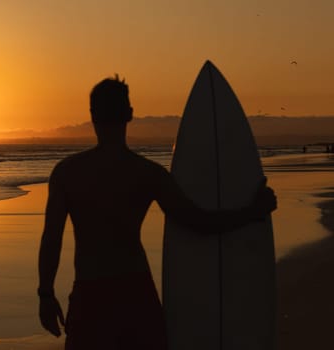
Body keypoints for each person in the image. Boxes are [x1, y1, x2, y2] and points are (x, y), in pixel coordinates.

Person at [37, 76, 277, 349]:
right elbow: (198, 222)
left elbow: (51, 240)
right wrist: (252, 211)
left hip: (91, 296)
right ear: (129, 114)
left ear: (92, 115)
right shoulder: (147, 173)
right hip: (136, 295)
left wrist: (46, 294)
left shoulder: (68, 173)